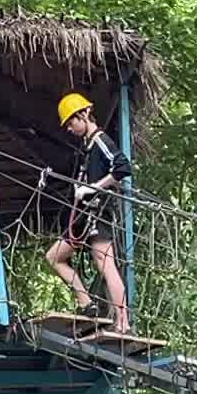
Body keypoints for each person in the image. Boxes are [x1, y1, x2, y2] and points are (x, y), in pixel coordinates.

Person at [45, 93, 133, 332]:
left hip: (97, 214)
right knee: (54, 257)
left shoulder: (101, 140)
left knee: (106, 265)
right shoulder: (88, 147)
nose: (70, 129)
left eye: (71, 122)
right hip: (84, 218)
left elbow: (122, 167)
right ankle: (87, 304)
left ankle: (123, 322)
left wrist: (93, 188)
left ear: (84, 115)